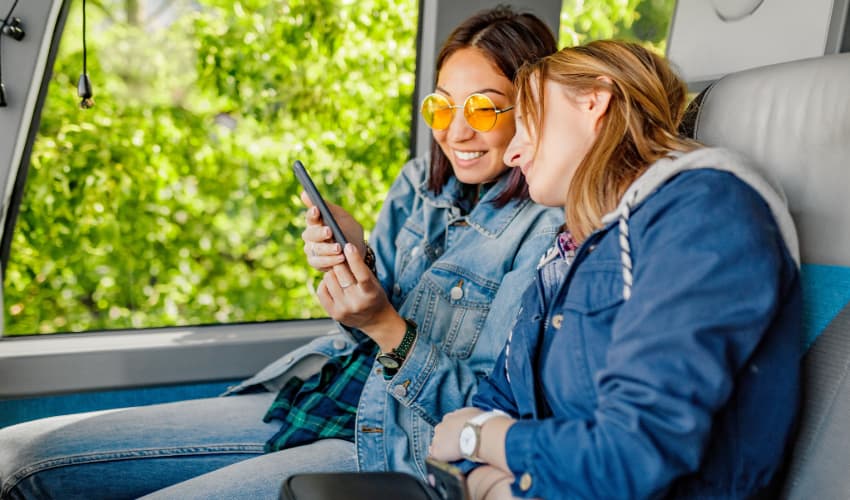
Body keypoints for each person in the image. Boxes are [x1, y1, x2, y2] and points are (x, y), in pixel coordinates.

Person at [0, 7, 562, 500]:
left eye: (485, 110)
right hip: (327, 391)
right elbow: (356, 332)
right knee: (17, 457)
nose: (457, 132)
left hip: (393, 447)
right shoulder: (420, 182)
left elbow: (486, 416)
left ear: (532, 112)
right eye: (442, 108)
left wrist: (386, 326)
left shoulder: (545, 233)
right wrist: (355, 263)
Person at [429, 40, 802, 499]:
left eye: (526, 123)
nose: (513, 153)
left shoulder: (704, 210)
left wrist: (482, 444)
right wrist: (486, 468)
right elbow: (493, 402)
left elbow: (629, 456)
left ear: (593, 100)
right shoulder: (567, 251)